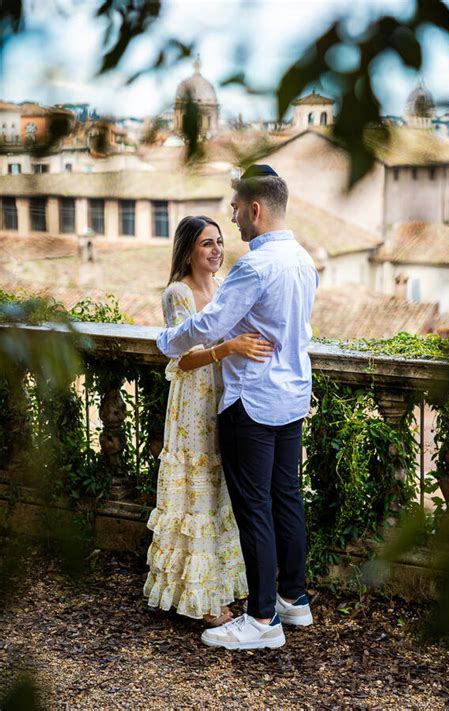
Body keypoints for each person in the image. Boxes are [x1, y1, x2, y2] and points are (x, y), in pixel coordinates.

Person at [157, 166, 318, 650]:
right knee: (286, 498)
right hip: (291, 397)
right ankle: (294, 599)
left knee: (254, 508)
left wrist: (167, 340)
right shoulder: (304, 260)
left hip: (250, 402)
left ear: (255, 209)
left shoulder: (254, 266)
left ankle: (262, 620)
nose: (232, 219)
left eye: (235, 209)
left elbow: (208, 325)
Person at [144, 215, 274, 627]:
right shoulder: (177, 294)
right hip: (193, 403)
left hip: (224, 396)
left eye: (219, 241)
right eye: (206, 243)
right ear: (188, 250)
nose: (217, 249)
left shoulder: (222, 289)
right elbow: (182, 356)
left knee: (221, 493)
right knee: (195, 495)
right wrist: (229, 347)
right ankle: (199, 600)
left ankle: (216, 586)